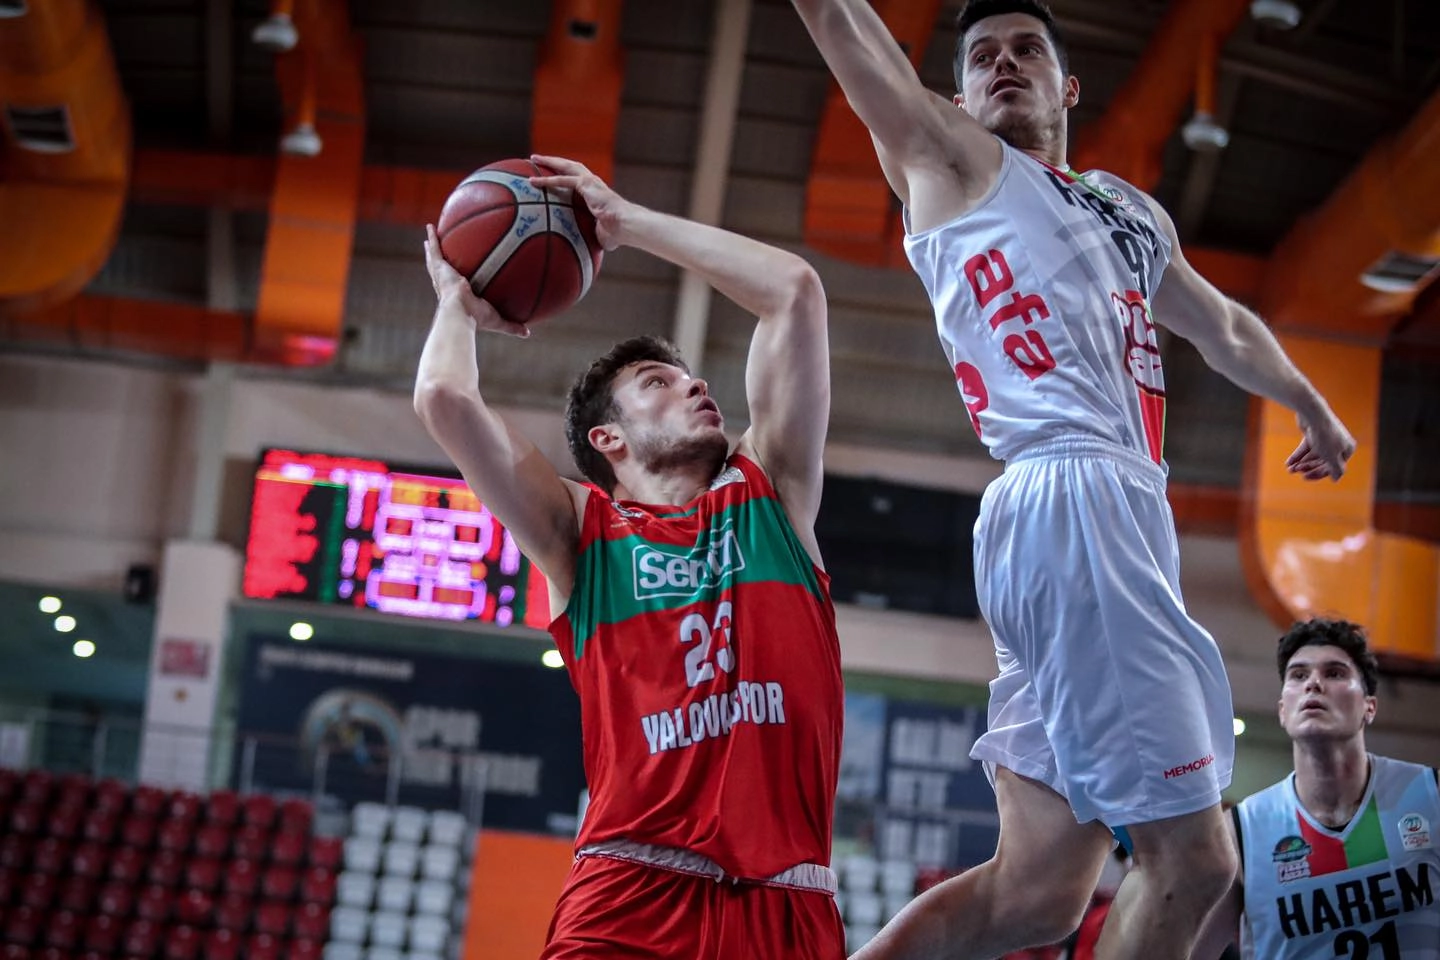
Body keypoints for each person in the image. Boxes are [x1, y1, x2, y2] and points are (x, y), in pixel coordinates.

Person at [787, 0, 1356, 957]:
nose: (1003, 64)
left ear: (1069, 86)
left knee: (1038, 893)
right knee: (1196, 863)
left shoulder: (1126, 210)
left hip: (1094, 516)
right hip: (1074, 498)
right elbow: (850, 36)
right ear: (958, 98)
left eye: (1027, 50)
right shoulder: (954, 162)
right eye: (981, 57)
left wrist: (1310, 401)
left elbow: (1220, 326)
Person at [414, 154, 846, 958]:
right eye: (658, 382)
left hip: (786, 907)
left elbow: (793, 290)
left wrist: (626, 223)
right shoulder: (583, 531)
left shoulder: (772, 495)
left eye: (692, 379)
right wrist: (456, 306)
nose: (695, 387)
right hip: (630, 897)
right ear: (607, 439)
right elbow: (444, 398)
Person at [1192, 618, 1439, 959]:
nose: (1313, 684)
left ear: (1369, 707)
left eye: (1334, 673)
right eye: (1298, 675)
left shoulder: (1431, 794)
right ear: (1283, 711)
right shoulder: (1242, 831)